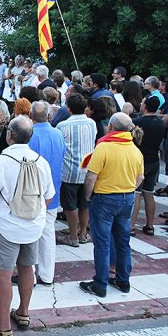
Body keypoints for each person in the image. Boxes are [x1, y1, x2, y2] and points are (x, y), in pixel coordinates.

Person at [0, 116, 55, 336]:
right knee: (27, 268)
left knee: (3, 272)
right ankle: (23, 313)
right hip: (34, 226)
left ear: (9, 135)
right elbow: (48, 196)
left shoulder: (0, 162)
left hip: (6, 227)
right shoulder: (41, 161)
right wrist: (36, 216)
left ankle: (2, 327)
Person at [80, 113, 144, 298]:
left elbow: (91, 176)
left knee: (102, 243)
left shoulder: (104, 147)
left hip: (105, 197)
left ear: (111, 127)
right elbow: (140, 177)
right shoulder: (134, 149)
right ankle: (123, 280)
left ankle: (100, 283)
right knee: (123, 242)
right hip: (127, 197)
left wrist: (88, 196)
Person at [26, 101, 65, 286]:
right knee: (48, 233)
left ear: (31, 116)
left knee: (31, 234)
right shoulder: (58, 134)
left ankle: (30, 274)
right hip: (53, 191)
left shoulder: (30, 135)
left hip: (31, 193)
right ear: (49, 116)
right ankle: (47, 275)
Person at [56, 93, 97, 247]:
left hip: (70, 170)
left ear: (69, 108)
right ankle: (83, 233)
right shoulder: (91, 123)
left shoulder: (63, 125)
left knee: (70, 205)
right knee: (84, 203)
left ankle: (73, 236)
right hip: (87, 169)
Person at [130, 97, 166, 235]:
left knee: (136, 193)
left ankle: (131, 226)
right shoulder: (161, 123)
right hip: (154, 160)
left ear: (145, 106)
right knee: (149, 193)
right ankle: (150, 225)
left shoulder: (138, 122)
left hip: (140, 160)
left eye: (142, 103)